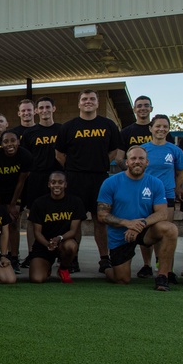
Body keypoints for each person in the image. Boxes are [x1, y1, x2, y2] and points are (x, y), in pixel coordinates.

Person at [55, 89, 122, 274]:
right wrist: (75, 167)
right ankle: (73, 258)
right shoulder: (68, 127)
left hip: (99, 179)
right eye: (84, 99)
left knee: (100, 219)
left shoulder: (108, 125)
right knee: (75, 221)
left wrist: (98, 164)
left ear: (97, 103)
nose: (88, 101)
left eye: (92, 99)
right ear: (79, 103)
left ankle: (104, 258)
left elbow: (113, 152)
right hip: (75, 179)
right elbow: (59, 154)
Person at [96, 145, 179, 290]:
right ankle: (106, 268)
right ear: (126, 162)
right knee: (121, 279)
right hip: (120, 234)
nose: (137, 161)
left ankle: (162, 276)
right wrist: (127, 223)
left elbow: (162, 213)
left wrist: (139, 224)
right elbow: (102, 215)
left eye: (141, 158)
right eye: (133, 158)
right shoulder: (110, 183)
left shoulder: (156, 183)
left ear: (147, 162)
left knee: (170, 229)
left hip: (144, 230)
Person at [138, 114, 183, 278]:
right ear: (151, 128)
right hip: (145, 195)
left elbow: (180, 172)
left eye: (165, 126)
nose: (161, 129)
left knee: (165, 231)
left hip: (166, 195)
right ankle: (146, 265)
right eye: (158, 126)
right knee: (144, 230)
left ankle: (165, 267)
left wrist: (178, 188)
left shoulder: (174, 150)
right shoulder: (143, 150)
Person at [19, 96, 63, 268]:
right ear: (36, 111)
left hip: (58, 178)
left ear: (54, 109)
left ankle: (62, 255)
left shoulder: (62, 129)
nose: (44, 110)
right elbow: (25, 159)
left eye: (47, 107)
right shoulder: (29, 133)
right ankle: (32, 253)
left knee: (59, 218)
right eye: (41, 108)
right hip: (36, 179)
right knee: (33, 218)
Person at [0, 131, 33, 271]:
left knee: (13, 222)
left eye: (12, 141)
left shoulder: (25, 155)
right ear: (1, 143)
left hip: (16, 192)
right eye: (6, 141)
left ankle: (14, 257)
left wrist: (12, 205)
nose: (9, 144)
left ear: (18, 142)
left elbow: (21, 182)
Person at [28, 171, 84, 284]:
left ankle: (63, 268)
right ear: (49, 184)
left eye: (60, 182)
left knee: (71, 246)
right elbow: (37, 232)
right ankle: (46, 267)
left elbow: (74, 231)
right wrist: (47, 244)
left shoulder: (75, 202)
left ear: (65, 184)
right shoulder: (39, 203)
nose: (57, 185)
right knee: (37, 279)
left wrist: (59, 238)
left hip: (63, 242)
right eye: (53, 182)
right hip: (44, 245)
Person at [118, 95, 154, 166]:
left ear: (151, 108)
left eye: (146, 105)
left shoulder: (159, 131)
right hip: (134, 173)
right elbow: (119, 159)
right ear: (134, 109)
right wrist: (132, 171)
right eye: (139, 106)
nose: (143, 108)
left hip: (156, 173)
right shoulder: (125, 132)